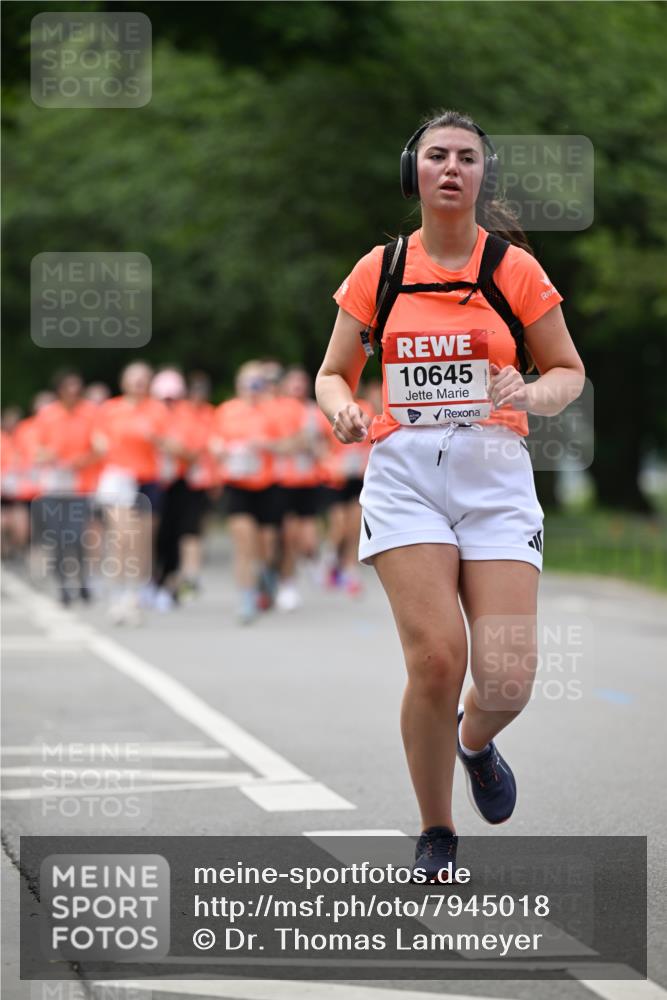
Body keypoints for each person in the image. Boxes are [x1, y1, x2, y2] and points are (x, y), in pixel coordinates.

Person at [315, 110, 585, 882]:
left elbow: (567, 370)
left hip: (495, 473)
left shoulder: (513, 271)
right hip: (404, 475)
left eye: (467, 158)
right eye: (436, 155)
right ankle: (436, 832)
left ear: (481, 175)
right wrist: (339, 406)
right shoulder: (381, 268)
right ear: (414, 170)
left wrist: (529, 393)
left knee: (505, 677)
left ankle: (473, 742)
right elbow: (332, 370)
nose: (450, 169)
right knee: (436, 660)